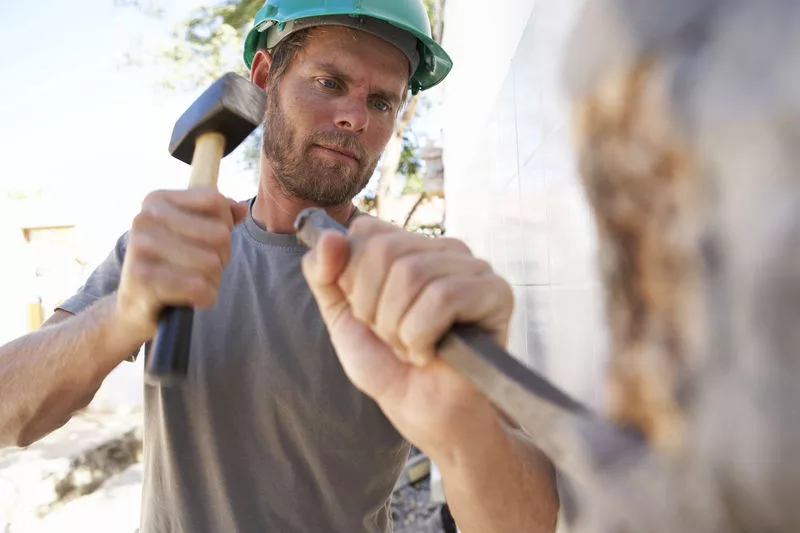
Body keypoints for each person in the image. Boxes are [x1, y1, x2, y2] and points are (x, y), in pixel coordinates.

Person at [0, 1, 559, 531]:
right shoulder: (163, 253)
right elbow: (9, 414)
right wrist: (120, 316)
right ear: (264, 77)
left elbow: (532, 523)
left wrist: (463, 426)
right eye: (330, 83)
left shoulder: (403, 285)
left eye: (382, 102)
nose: (356, 118)